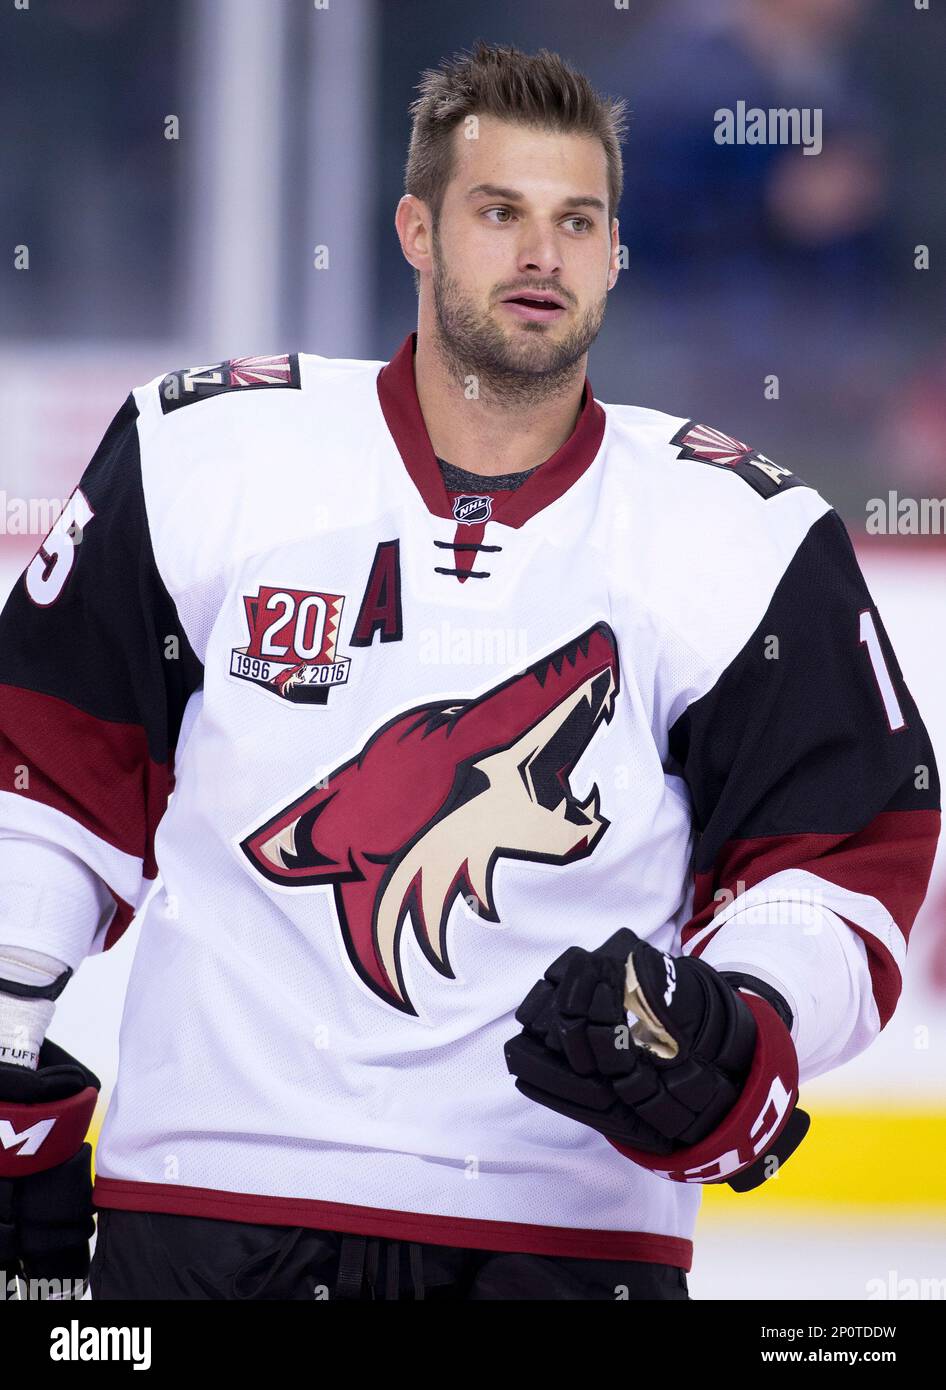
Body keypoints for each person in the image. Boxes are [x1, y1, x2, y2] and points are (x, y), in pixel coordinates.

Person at [0, 41, 938, 1302]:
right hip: (207, 1227)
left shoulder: (740, 531)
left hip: (560, 1250)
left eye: (578, 221)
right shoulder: (203, 454)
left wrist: (731, 1021)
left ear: (615, 252)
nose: (542, 255)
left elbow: (838, 858)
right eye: (500, 212)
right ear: (416, 230)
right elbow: (45, 778)